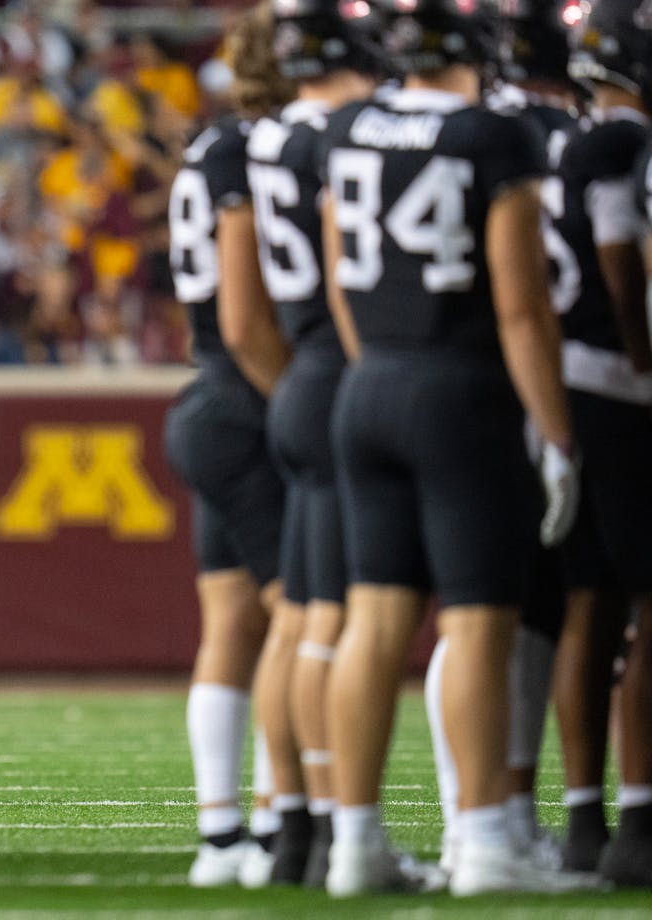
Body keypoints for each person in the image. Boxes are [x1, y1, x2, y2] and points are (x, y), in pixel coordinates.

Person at [318, 0, 593, 895]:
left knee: (373, 619)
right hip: (460, 391)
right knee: (478, 620)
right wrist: (556, 431)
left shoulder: (351, 126)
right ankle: (486, 844)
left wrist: (381, 371)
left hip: (371, 386)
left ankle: (354, 844)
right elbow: (521, 304)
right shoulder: (489, 137)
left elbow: (339, 272)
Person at [424, 0, 579, 875]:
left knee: (488, 613)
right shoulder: (543, 139)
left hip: (461, 375)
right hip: (546, 379)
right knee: (516, 611)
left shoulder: (461, 131)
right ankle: (496, 817)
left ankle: (485, 815)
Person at [237, 0, 379, 886]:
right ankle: (332, 829)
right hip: (338, 363)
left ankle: (288, 828)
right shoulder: (344, 134)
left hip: (299, 369)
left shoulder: (255, 141)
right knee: (333, 614)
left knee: (296, 616)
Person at [163, 2, 290, 888]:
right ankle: (288, 825)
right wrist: (298, 400)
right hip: (247, 398)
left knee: (234, 620)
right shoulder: (254, 151)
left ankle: (222, 836)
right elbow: (248, 318)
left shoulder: (210, 147)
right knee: (304, 614)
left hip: (210, 386)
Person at [550, 0, 652, 886]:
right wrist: (644, 356)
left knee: (588, 602)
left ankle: (584, 814)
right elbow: (622, 258)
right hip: (616, 388)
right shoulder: (619, 145)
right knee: (643, 603)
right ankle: (639, 815)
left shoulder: (558, 140)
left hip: (560, 386)